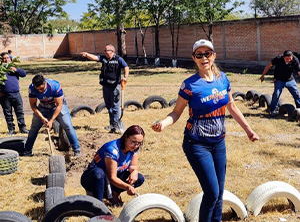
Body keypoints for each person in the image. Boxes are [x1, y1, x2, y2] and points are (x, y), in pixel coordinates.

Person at [152, 39, 259, 222]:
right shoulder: (190, 85)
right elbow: (177, 112)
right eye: (199, 55)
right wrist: (163, 123)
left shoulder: (223, 78)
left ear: (214, 56)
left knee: (219, 192)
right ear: (194, 58)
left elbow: (232, 106)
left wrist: (249, 130)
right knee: (212, 191)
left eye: (207, 54)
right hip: (197, 144)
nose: (204, 58)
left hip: (219, 143)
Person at [81, 125, 145, 206]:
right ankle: (98, 204)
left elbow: (133, 166)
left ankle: (113, 194)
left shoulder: (134, 148)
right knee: (98, 174)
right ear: (126, 137)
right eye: (133, 142)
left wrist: (135, 172)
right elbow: (112, 177)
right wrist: (127, 187)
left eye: (139, 143)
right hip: (94, 178)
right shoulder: (112, 150)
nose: (136, 145)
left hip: (110, 178)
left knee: (139, 178)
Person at [20, 74, 81, 157]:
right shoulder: (32, 88)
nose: (40, 91)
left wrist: (51, 121)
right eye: (38, 90)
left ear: (45, 82)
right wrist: (42, 117)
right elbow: (33, 105)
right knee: (33, 129)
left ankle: (77, 150)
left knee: (68, 126)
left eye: (42, 89)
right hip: (43, 107)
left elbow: (59, 105)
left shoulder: (55, 86)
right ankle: (27, 151)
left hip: (57, 106)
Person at [81, 44, 129, 134]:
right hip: (106, 86)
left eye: (107, 51)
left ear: (112, 51)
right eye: (105, 51)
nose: (105, 52)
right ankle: (112, 125)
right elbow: (95, 58)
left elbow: (126, 67)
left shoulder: (118, 59)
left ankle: (116, 125)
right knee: (109, 106)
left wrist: (125, 77)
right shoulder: (104, 58)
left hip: (115, 87)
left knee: (115, 107)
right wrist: (87, 54)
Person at [260, 50, 300, 116]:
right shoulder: (278, 58)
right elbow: (269, 65)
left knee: (297, 94)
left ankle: (299, 110)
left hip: (290, 80)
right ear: (283, 57)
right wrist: (263, 75)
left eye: (290, 58)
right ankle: (273, 110)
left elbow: (299, 71)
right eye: (287, 59)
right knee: (276, 94)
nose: (289, 60)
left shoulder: (295, 60)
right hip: (279, 80)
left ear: (292, 57)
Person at [0, 52, 28, 135]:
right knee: (8, 113)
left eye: (7, 58)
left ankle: (22, 128)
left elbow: (24, 74)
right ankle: (11, 129)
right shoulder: (1, 69)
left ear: (10, 59)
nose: (6, 59)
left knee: (20, 112)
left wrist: (16, 70)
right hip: (4, 96)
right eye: (4, 58)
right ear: (1, 60)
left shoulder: (14, 68)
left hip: (16, 94)